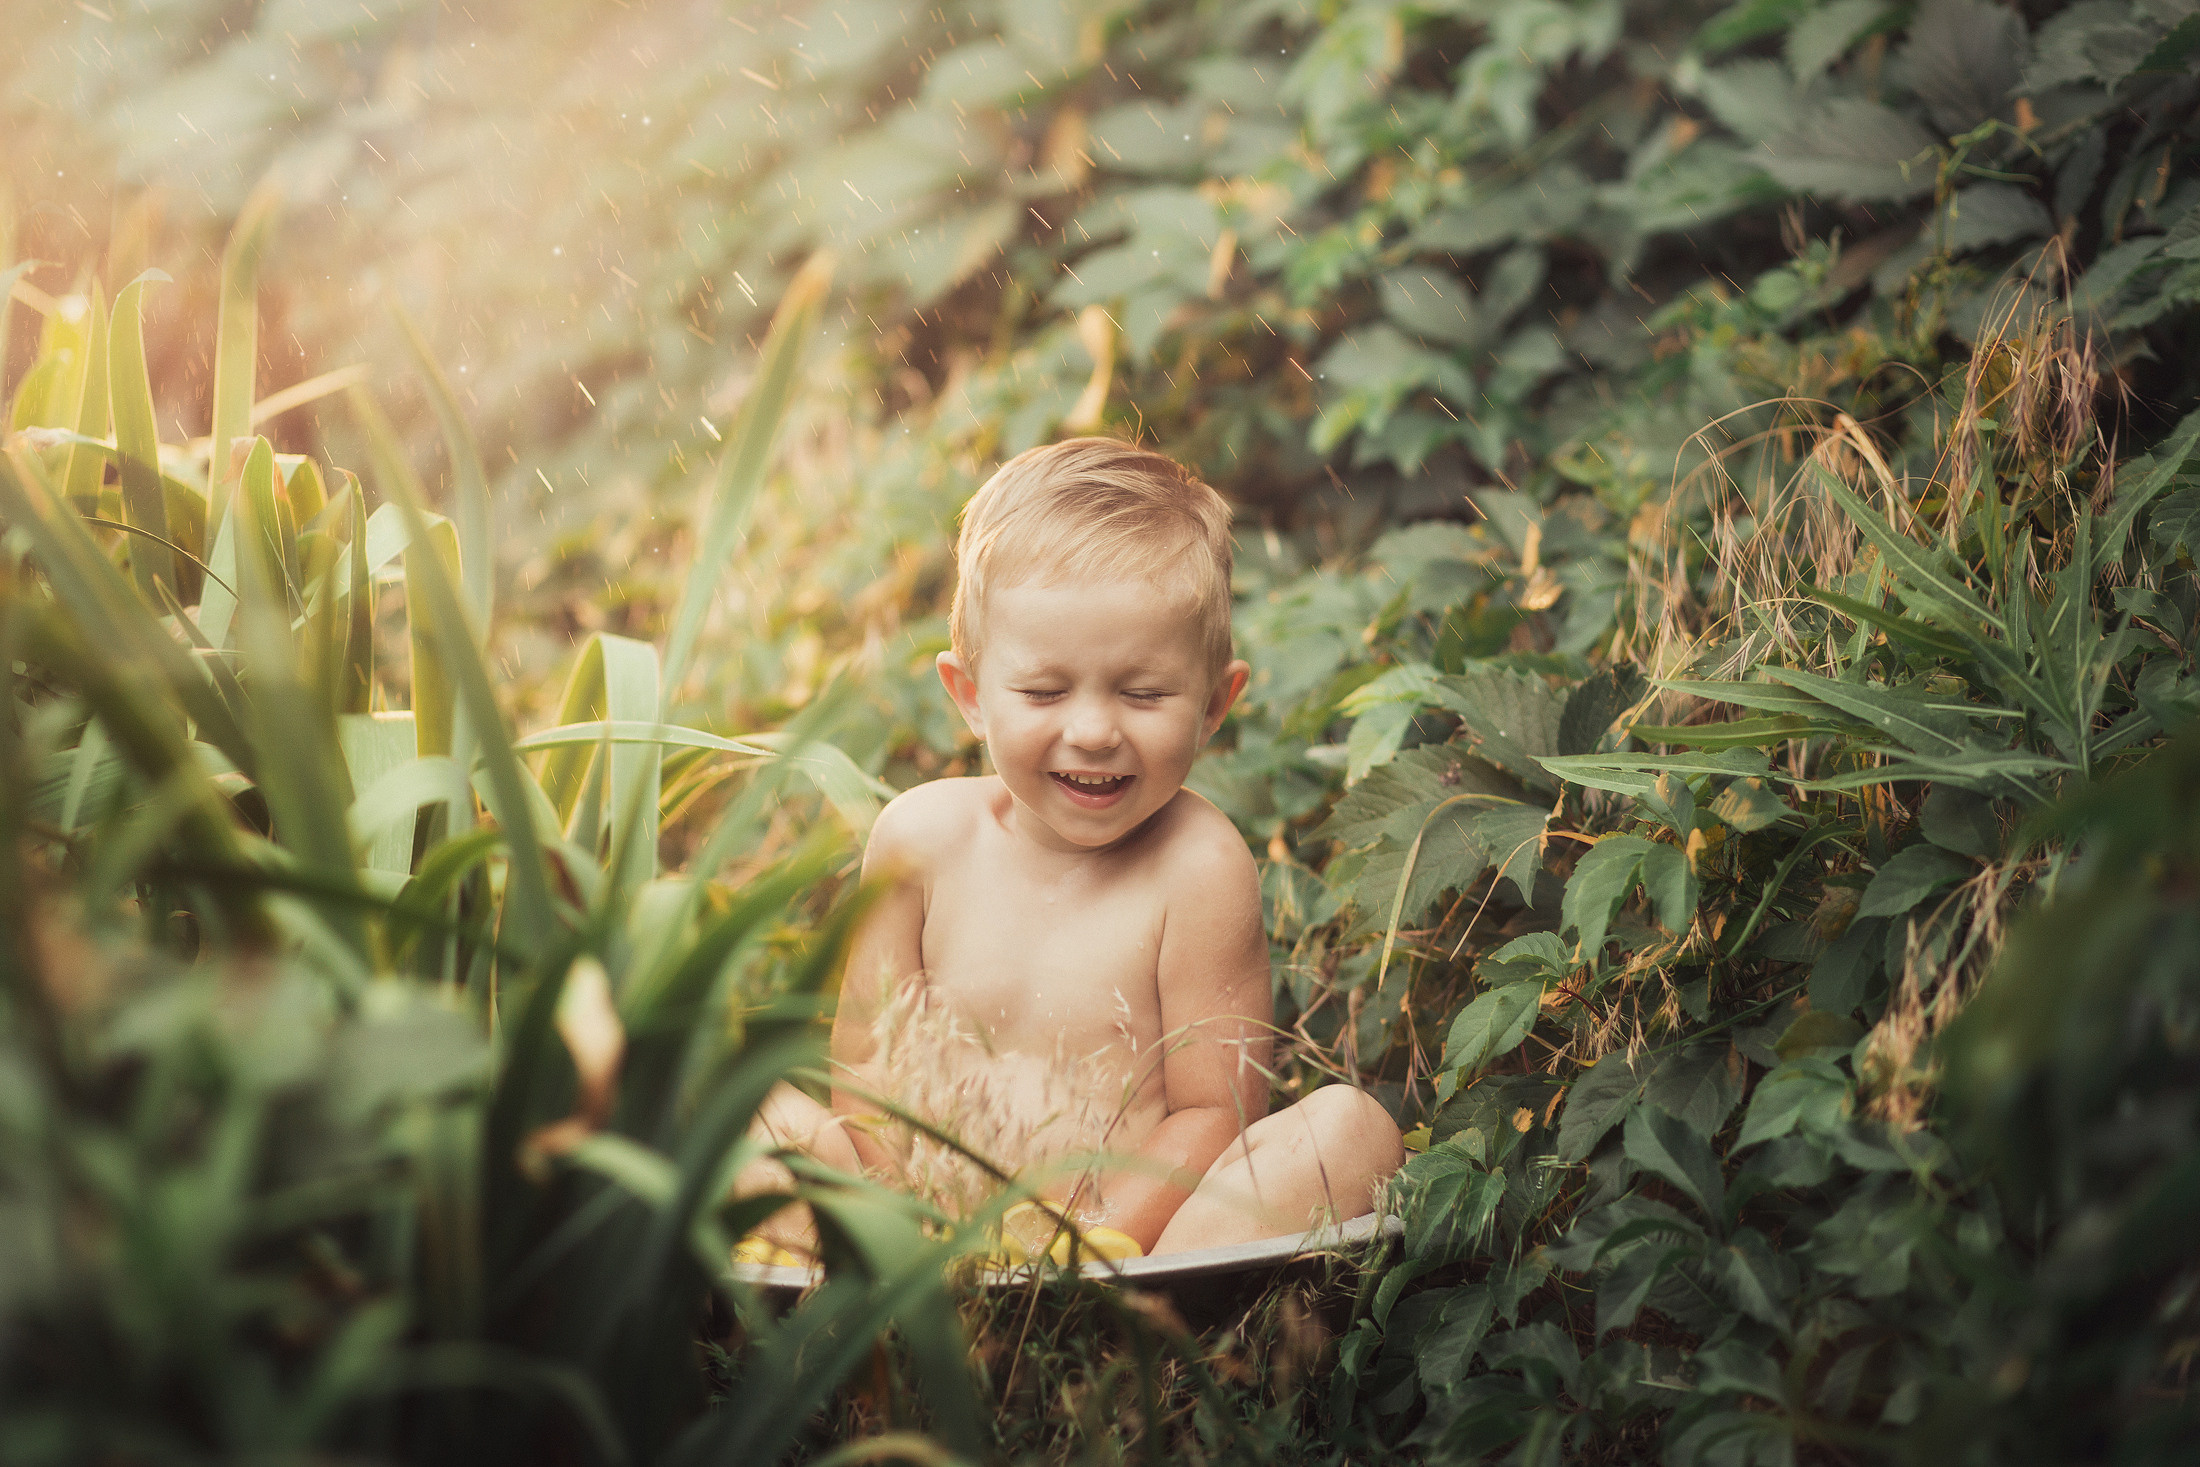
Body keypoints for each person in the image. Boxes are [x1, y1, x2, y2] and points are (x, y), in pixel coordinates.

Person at [742, 437, 1403, 1263]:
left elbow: (1213, 1112)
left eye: (1144, 692)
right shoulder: (919, 841)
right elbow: (870, 1063)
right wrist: (904, 1213)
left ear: (1213, 704)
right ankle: (882, 1287)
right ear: (972, 695)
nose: (1093, 731)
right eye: (1046, 691)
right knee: (727, 1110)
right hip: (919, 1218)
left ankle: (1129, 1320)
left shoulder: (1199, 865)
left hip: (1125, 1239)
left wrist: (1091, 1235)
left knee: (1349, 1130)